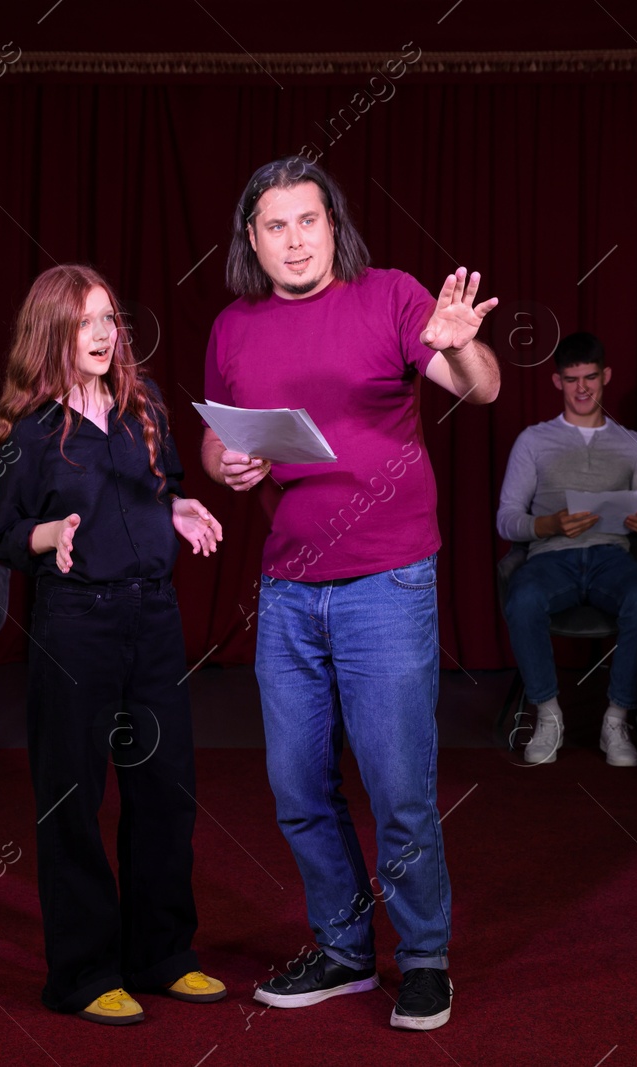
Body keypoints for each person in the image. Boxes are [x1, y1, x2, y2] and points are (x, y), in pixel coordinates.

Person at [203, 157, 499, 1031]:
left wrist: (457, 343)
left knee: (397, 781)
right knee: (297, 783)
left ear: (334, 225)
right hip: (289, 584)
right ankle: (341, 950)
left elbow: (481, 389)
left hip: (387, 577)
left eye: (308, 221)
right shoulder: (232, 326)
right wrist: (233, 465)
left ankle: (423, 957)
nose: (294, 241)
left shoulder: (394, 296)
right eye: (275, 226)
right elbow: (220, 446)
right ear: (252, 241)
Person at [0, 264, 225, 1026]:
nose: (103, 333)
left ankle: (161, 953)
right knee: (74, 798)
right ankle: (83, 973)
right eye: (85, 320)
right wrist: (46, 534)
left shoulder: (142, 405)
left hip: (152, 622)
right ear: (52, 330)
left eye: (109, 318)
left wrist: (181, 509)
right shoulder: (31, 432)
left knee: (164, 789)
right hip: (76, 628)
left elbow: (166, 488)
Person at [496, 332, 637, 767]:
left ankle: (616, 717)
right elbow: (506, 519)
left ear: (605, 376)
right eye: (571, 379)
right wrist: (548, 524)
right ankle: (548, 713)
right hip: (550, 557)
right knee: (523, 598)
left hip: (612, 557)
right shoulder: (533, 441)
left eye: (590, 377)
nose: (582, 389)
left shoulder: (631, 443)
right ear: (557, 382)